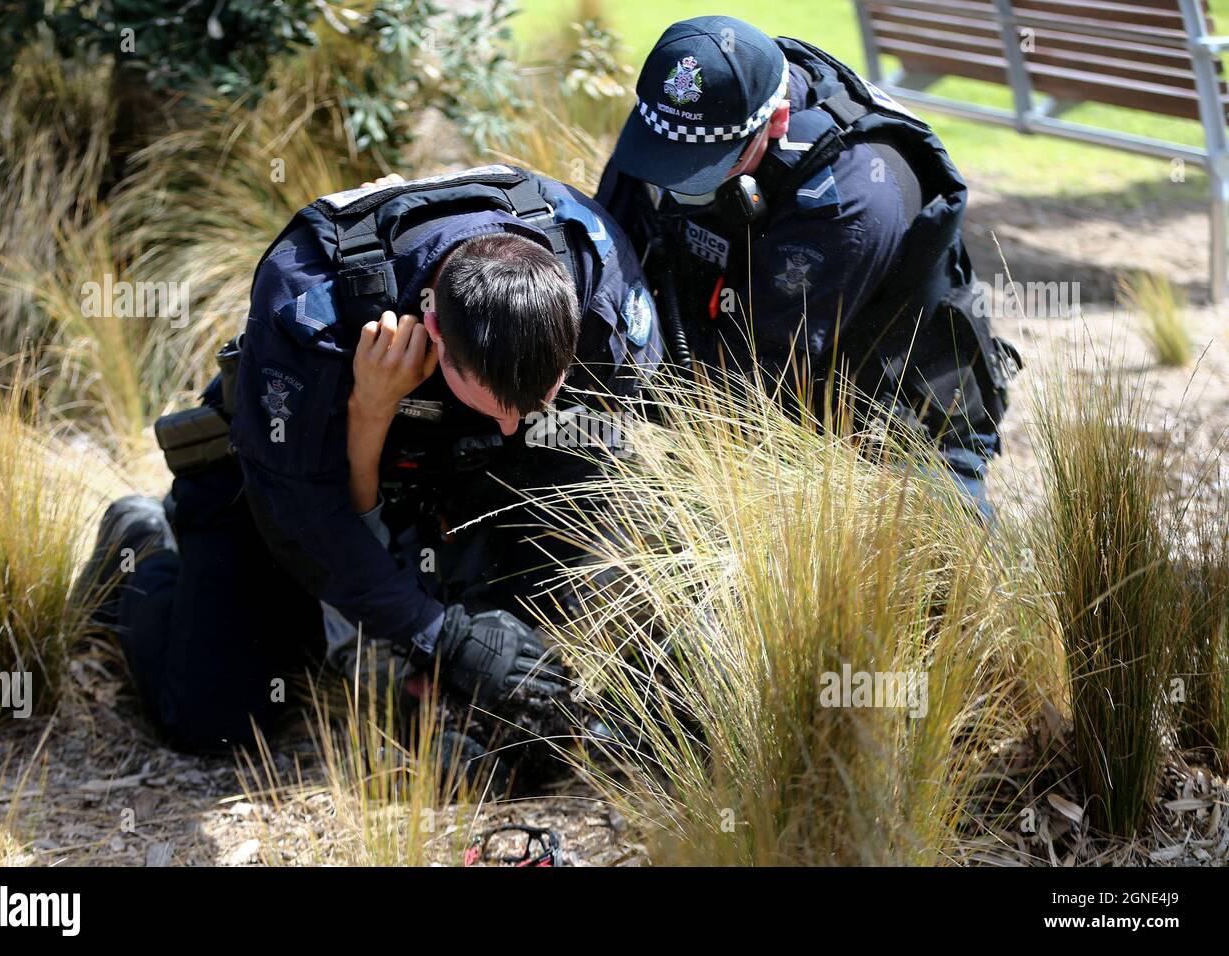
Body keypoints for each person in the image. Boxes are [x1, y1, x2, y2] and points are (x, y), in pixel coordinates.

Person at [78, 164, 662, 753]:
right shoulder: (313, 306)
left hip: (459, 482)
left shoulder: (593, 263)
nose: (514, 420)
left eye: (539, 398)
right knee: (214, 721)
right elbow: (303, 517)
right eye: (490, 400)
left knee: (509, 715)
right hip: (290, 482)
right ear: (433, 328)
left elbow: (611, 453)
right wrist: (438, 632)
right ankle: (142, 547)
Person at [596, 16, 1021, 520]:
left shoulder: (855, 196)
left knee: (939, 568)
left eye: (705, 169)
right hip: (735, 369)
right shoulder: (684, 111)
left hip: (892, 422)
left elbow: (753, 392)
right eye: (669, 163)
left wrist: (633, 389)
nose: (678, 188)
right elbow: (610, 258)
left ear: (775, 121)